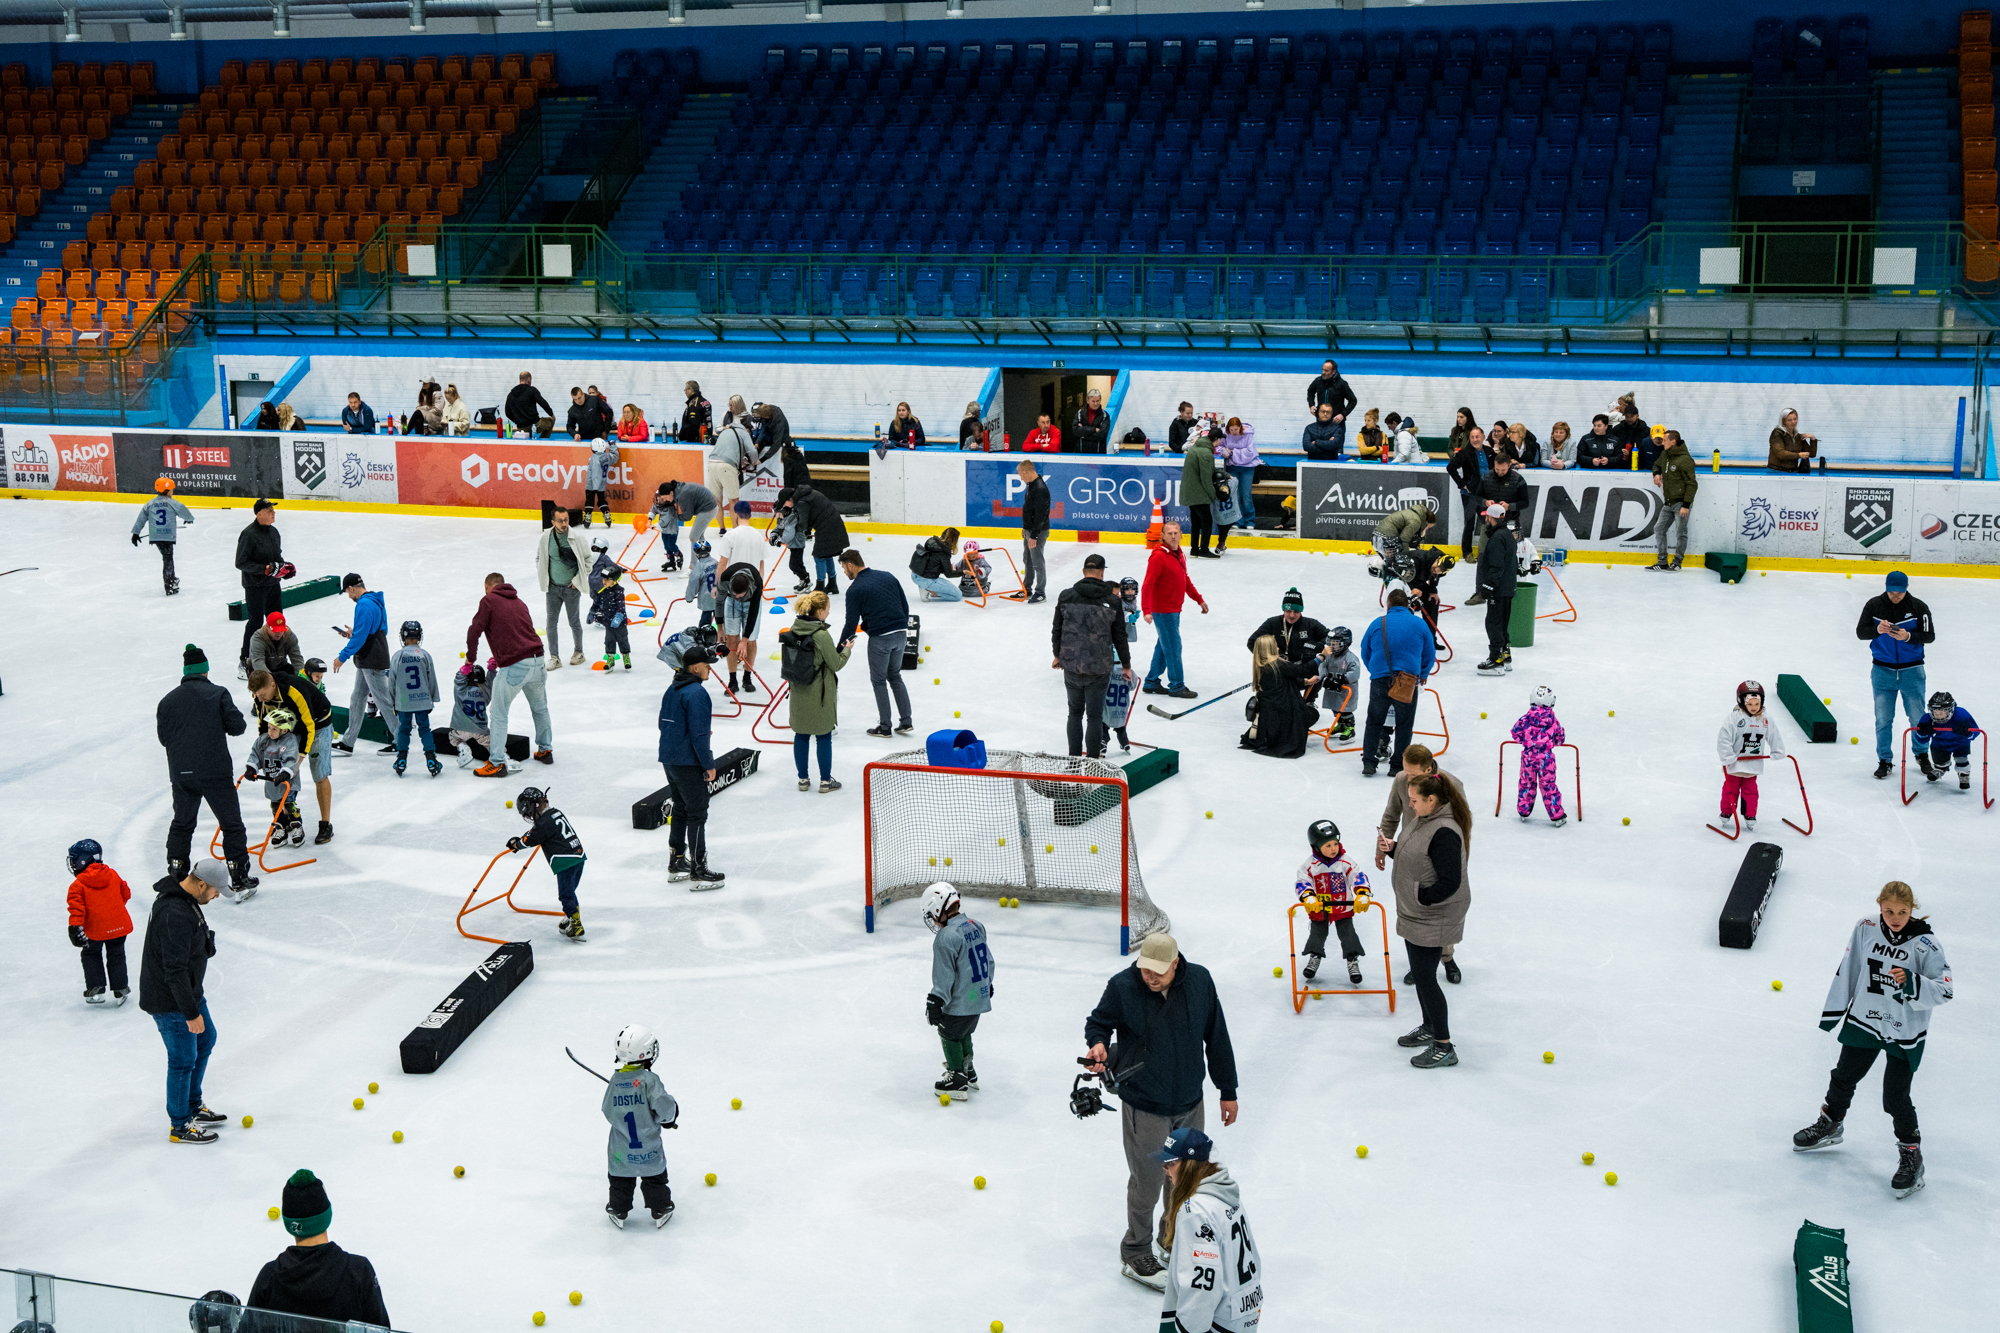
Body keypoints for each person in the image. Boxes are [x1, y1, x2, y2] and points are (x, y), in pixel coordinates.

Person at [1082, 933, 1239, 1291]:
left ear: (1175, 963)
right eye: (1144, 970)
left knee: (1184, 1180)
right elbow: (1098, 1022)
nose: (1149, 977)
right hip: (1145, 1104)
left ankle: (1170, 1240)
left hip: (1189, 1102)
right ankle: (1136, 1250)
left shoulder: (1200, 981)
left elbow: (1216, 1035)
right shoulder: (1123, 985)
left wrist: (1227, 1089)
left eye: (1157, 972)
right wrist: (1098, 1044)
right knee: (1148, 1181)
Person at [1792, 881, 1952, 1199]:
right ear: (1880, 906)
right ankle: (1831, 1124)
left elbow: (1945, 989)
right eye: (1889, 910)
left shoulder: (1925, 944)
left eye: (1902, 912)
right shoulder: (1865, 928)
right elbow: (1849, 968)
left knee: (1895, 1097)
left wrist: (1913, 983)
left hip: (1904, 1030)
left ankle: (1911, 1156)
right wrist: (1834, 1011)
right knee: (1843, 1076)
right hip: (1866, 1017)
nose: (1895, 917)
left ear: (1912, 910)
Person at [138, 857, 231, 1143]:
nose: (217, 895)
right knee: (182, 1059)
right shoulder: (174, 913)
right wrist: (190, 1013)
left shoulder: (184, 899)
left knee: (206, 1040)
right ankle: (180, 1124)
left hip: (188, 992)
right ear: (201, 883)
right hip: (171, 1000)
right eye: (215, 890)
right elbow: (174, 971)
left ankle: (192, 1103)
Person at [158, 644, 256, 895]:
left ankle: (177, 870)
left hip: (181, 773)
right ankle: (238, 874)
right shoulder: (217, 693)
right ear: (205, 671)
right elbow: (238, 727)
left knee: (182, 823)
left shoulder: (167, 701)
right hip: (214, 771)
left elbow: (163, 738)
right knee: (231, 824)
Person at [1389, 773, 1472, 1067]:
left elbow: (1450, 881)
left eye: (1414, 800)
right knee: (1421, 975)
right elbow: (1420, 858)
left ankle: (1444, 1045)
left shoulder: (1445, 831)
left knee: (1425, 978)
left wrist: (1422, 897)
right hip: (1416, 912)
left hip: (1432, 916)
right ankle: (1430, 1027)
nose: (1409, 805)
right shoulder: (1425, 820)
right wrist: (1394, 850)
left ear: (1431, 800)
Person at [1372, 743, 1466, 982]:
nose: (1406, 777)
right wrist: (1383, 848)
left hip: (1439, 857)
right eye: (1405, 771)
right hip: (1411, 855)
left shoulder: (1451, 785)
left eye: (1413, 774)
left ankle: (1446, 956)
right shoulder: (1401, 781)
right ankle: (1421, 964)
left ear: (1427, 769)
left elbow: (1461, 827)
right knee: (1413, 912)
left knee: (1440, 911)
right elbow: (1391, 815)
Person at [1155, 1127, 1263, 1333]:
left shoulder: (1195, 1211)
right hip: (1246, 1309)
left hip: (1218, 1322)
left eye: (1171, 1163)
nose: (1165, 1169)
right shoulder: (1227, 1192)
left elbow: (1201, 1286)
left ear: (1189, 1165)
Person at [249, 1170, 393, 1324]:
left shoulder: (269, 1276)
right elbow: (380, 1328)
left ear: (290, 1224)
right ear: (326, 1216)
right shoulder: (359, 1271)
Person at [467, 572, 553, 774]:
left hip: (516, 666)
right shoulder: (519, 602)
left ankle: (496, 763)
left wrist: (470, 658)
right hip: (538, 660)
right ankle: (545, 749)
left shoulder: (489, 600)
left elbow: (474, 630)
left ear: (488, 586)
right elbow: (518, 632)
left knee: (498, 713)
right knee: (540, 709)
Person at [1051, 552, 1134, 759]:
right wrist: (1125, 665)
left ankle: (1073, 761)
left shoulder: (1066, 595)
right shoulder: (1112, 601)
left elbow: (1057, 629)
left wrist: (1057, 655)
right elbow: (1120, 636)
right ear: (1102, 573)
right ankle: (1093, 764)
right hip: (1098, 668)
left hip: (1071, 665)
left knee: (1074, 713)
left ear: (1083, 572)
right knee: (1094, 718)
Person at [658, 644, 725, 889]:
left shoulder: (673, 688)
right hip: (687, 761)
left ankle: (676, 862)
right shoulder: (696, 693)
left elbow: (662, 723)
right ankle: (698, 870)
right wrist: (708, 764)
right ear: (695, 668)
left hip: (669, 758)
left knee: (682, 808)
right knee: (697, 811)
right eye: (707, 666)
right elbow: (699, 735)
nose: (710, 670)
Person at [1856, 570, 1935, 779]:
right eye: (1892, 592)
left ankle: (1922, 755)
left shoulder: (1919, 607)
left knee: (1918, 718)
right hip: (1882, 672)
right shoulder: (1874, 605)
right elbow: (1860, 632)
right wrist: (1878, 631)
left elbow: (1930, 635)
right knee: (1883, 719)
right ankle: (1884, 760)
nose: (1895, 596)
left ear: (1906, 588)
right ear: (1886, 587)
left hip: (1912, 671)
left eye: (1899, 592)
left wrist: (1908, 636)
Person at [601, 1025, 680, 1228]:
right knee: (654, 1178)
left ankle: (618, 1209)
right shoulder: (649, 1081)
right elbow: (664, 1107)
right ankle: (660, 1207)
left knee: (620, 1180)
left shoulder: (616, 1081)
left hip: (621, 1149)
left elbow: (607, 1109)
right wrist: (670, 1117)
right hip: (648, 1148)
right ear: (644, 1053)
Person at [922, 882, 994, 1100]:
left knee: (948, 1031)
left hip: (962, 999)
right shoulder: (976, 925)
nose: (933, 920)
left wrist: (935, 1000)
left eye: (932, 914)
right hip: (978, 997)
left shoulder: (946, 937)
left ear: (937, 909)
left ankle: (957, 1078)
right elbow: (989, 961)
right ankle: (968, 1069)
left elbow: (944, 976)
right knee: (965, 1031)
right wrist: (986, 984)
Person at [249, 664, 334, 844]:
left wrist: (301, 755)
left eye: (261, 693)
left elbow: (309, 725)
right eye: (256, 694)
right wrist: (266, 750)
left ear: (272, 684)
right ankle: (288, 820)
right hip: (288, 726)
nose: (259, 697)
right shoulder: (260, 695)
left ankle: (326, 824)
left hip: (318, 722)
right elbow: (263, 723)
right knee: (281, 770)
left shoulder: (294, 691)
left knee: (319, 773)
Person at [1358, 590, 1437, 777]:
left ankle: (1369, 763)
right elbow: (1429, 652)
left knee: (1374, 722)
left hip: (1380, 680)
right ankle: (1397, 767)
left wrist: (1375, 670)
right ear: (1407, 605)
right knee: (1404, 725)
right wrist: (1423, 673)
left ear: (1388, 604)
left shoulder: (1378, 623)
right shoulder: (1419, 624)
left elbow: (1365, 650)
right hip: (1407, 681)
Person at [838, 549, 914, 739]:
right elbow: (905, 606)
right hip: (901, 633)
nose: (844, 573)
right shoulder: (888, 577)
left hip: (880, 638)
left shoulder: (855, 589)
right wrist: (900, 626)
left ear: (849, 565)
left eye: (843, 568)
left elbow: (850, 624)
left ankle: (885, 727)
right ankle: (906, 721)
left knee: (879, 681)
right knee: (895, 676)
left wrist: (838, 650)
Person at [781, 589, 852, 792]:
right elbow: (835, 664)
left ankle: (803, 779)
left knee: (801, 735)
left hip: (798, 692)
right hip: (819, 694)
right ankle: (825, 781)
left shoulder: (792, 631)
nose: (829, 613)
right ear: (819, 611)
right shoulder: (821, 635)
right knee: (823, 737)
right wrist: (847, 649)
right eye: (828, 609)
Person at [329, 573, 398, 756]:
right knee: (357, 698)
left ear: (351, 588)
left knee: (382, 700)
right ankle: (348, 742)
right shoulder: (374, 601)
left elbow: (361, 638)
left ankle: (401, 740)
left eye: (348, 593)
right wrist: (356, 632)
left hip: (371, 659)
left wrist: (342, 657)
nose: (349, 597)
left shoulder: (364, 604)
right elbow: (377, 629)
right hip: (369, 658)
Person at [1294, 820, 1368, 984]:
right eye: (1327, 845)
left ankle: (1352, 961)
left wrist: (1362, 893)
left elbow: (1357, 876)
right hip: (1320, 908)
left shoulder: (1345, 862)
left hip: (1343, 907)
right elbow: (1302, 881)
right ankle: (1315, 956)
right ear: (1316, 846)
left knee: (1348, 935)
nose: (1333, 848)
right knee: (1317, 935)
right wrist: (1308, 896)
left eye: (1335, 843)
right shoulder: (1310, 866)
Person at [1140, 520, 1208, 700]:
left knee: (1164, 646)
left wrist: (1198, 599)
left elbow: (1183, 579)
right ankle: (1177, 685)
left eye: (1175, 533)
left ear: (1181, 535)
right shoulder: (1158, 557)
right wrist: (1146, 610)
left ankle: (1151, 681)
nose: (1172, 536)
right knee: (1173, 647)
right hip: (1163, 610)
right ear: (1162, 536)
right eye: (1169, 533)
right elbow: (1147, 585)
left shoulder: (1178, 554)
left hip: (1173, 609)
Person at [509, 785, 586, 940]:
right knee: (570, 892)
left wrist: (516, 844)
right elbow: (538, 832)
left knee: (565, 894)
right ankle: (571, 916)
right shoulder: (556, 812)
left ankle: (576, 926)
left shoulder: (543, 823)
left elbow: (531, 838)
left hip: (566, 862)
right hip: (579, 856)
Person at [65, 838, 134, 1006]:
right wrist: (112, 910)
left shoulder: (77, 885)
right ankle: (120, 989)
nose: (73, 864)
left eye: (74, 860)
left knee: (91, 954)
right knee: (117, 955)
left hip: (94, 931)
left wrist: (75, 927)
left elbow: (77, 909)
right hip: (118, 927)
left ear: (83, 860)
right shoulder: (112, 874)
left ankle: (96, 988)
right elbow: (125, 893)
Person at [1716, 679, 1783, 831]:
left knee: (1751, 791)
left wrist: (1777, 750)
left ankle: (1750, 815)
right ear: (1742, 702)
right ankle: (1726, 812)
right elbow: (1724, 738)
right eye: (1750, 704)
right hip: (1735, 764)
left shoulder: (1765, 719)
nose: (1753, 707)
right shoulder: (1734, 718)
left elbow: (1774, 735)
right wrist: (1728, 756)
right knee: (1730, 789)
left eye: (1757, 704)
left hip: (1752, 765)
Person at [1240, 635, 1323, 758]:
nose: (1278, 647)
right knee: (1312, 714)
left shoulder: (1261, 666)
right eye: (1275, 645)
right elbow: (1303, 670)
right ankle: (1287, 734)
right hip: (1284, 714)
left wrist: (1306, 682)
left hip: (1270, 717)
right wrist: (1321, 657)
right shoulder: (1279, 664)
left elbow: (1284, 680)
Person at [234, 498, 287, 677]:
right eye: (269, 510)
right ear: (259, 514)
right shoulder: (248, 534)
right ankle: (246, 659)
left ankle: (276, 657)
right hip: (255, 586)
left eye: (273, 509)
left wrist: (284, 568)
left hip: (273, 585)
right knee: (256, 622)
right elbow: (241, 562)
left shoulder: (274, 533)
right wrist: (263, 570)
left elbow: (277, 557)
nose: (273, 512)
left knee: (277, 620)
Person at [387, 620, 442, 779]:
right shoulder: (424, 655)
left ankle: (401, 760)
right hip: (422, 700)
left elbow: (392, 681)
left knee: (404, 729)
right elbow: (431, 679)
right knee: (425, 729)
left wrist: (393, 702)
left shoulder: (398, 656)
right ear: (419, 636)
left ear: (403, 637)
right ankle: (431, 759)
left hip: (403, 701)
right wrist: (432, 698)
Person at [244, 706, 303, 848]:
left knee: (289, 804)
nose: (270, 731)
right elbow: (255, 754)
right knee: (275, 806)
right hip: (272, 782)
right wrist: (251, 768)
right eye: (269, 727)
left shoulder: (290, 740)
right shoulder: (264, 739)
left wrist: (285, 772)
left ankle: (297, 827)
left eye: (274, 729)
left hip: (287, 783)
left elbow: (292, 757)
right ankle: (280, 829)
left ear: (285, 729)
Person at [1512, 685, 1569, 826]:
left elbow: (1515, 733)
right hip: (1546, 759)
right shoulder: (1553, 720)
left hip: (1528, 757)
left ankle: (1523, 810)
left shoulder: (1526, 718)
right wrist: (1551, 743)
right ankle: (1557, 815)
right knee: (1548, 785)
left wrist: (1525, 741)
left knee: (1527, 783)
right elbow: (1560, 738)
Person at [1473, 503, 1518, 676]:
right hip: (1507, 588)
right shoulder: (1507, 534)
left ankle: (1495, 658)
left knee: (1493, 623)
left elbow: (1496, 567)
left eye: (1487, 516)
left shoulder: (1497, 538)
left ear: (1491, 518)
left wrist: (1487, 588)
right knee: (1502, 623)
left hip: (1498, 589)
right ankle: (1505, 656)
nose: (1485, 519)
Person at [131, 477, 193, 595]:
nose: (172, 492)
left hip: (156, 536)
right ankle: (169, 584)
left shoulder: (150, 504)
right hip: (168, 536)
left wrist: (136, 533)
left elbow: (141, 519)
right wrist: (189, 519)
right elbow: (183, 510)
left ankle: (171, 580)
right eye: (171, 490)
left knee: (167, 557)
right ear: (167, 491)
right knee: (168, 559)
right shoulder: (172, 502)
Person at [1648, 429, 1699, 571]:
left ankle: (1677, 562)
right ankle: (1662, 562)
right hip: (1668, 502)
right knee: (1659, 528)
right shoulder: (1665, 455)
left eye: (1665, 440)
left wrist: (1686, 505)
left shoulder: (1686, 460)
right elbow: (1656, 464)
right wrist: (1656, 473)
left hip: (1681, 503)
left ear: (1673, 441)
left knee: (1680, 532)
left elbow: (1692, 484)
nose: (1662, 442)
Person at [1914, 691, 1980, 790]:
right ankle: (1941, 768)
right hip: (1939, 745)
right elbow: (1922, 740)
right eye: (1935, 713)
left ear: (1950, 710)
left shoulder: (1961, 714)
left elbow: (1976, 731)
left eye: (1942, 712)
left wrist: (1967, 732)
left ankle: (1963, 774)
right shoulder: (1927, 719)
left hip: (1960, 744)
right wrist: (1923, 732)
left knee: (1961, 759)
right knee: (1940, 761)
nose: (1938, 716)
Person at [793, 482, 850, 594]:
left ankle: (820, 586)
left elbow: (803, 525)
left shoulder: (801, 502)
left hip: (826, 528)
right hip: (834, 525)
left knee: (819, 556)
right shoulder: (810, 494)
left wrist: (792, 530)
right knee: (827, 555)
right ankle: (832, 584)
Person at [1471, 445, 1525, 558]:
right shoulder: (1486, 477)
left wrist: (1509, 506)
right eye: (1497, 469)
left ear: (1509, 465)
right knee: (1483, 553)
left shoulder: (1518, 479)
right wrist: (1485, 502)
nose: (1500, 472)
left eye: (1503, 470)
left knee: (1509, 555)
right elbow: (1477, 497)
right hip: (1488, 522)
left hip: (1510, 522)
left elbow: (1525, 502)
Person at [1371, 496, 1437, 586]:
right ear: (1426, 522)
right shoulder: (1416, 520)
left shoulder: (1412, 514)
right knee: (1397, 568)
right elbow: (1404, 540)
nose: (1426, 531)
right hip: (1387, 539)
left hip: (1377, 538)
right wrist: (1406, 557)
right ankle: (1394, 590)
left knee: (1391, 567)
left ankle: (1391, 586)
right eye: (1428, 528)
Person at [1444, 425, 1487, 560]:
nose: (1475, 439)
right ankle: (1467, 553)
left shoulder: (1490, 452)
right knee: (1469, 524)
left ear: (1483, 437)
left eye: (1477, 437)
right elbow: (1451, 467)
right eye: (1472, 437)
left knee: (1487, 523)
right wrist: (1462, 484)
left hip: (1485, 494)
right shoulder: (1465, 453)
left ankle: (1484, 552)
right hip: (1470, 495)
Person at [660, 478, 721, 569]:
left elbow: (687, 517)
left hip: (708, 509)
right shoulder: (678, 488)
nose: (665, 500)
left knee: (693, 537)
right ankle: (706, 561)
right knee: (699, 536)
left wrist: (674, 515)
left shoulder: (682, 495)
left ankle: (692, 567)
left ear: (671, 493)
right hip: (709, 507)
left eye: (665, 498)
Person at [709, 410, 756, 522]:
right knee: (734, 502)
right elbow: (753, 452)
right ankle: (736, 530)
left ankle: (722, 529)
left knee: (717, 502)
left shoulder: (725, 431)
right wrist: (754, 462)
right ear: (747, 428)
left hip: (711, 464)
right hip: (726, 466)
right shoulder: (744, 433)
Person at [1180, 429, 1220, 557]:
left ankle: (1194, 549)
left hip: (1190, 491)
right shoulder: (1205, 453)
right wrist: (1213, 494)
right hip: (1199, 493)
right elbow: (1206, 477)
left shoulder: (1196, 448)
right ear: (1217, 439)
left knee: (1196, 522)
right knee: (1206, 521)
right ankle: (1203, 550)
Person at [447, 662, 493, 771]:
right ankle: (501, 756)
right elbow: (490, 683)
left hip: (461, 729)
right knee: (491, 743)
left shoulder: (461, 691)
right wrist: (491, 671)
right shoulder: (485, 692)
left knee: (453, 737)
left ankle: (463, 748)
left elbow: (458, 681)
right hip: (481, 730)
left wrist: (463, 671)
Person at [587, 565, 634, 673]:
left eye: (607, 579)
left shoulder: (619, 591)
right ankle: (610, 660)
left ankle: (626, 657)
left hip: (620, 623)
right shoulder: (603, 591)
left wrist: (618, 617)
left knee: (623, 640)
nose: (604, 581)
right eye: (603, 579)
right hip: (608, 622)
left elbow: (621, 606)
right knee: (609, 641)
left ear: (614, 580)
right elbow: (597, 603)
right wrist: (592, 612)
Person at [1217, 417, 1260, 532]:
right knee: (1235, 495)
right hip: (1233, 467)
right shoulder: (1225, 434)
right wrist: (1224, 451)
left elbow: (1250, 452)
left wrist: (1233, 452)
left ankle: (1249, 521)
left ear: (1240, 428)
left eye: (1236, 429)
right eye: (1231, 430)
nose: (1234, 432)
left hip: (1248, 468)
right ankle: (1237, 521)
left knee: (1246, 495)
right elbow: (1220, 447)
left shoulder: (1248, 434)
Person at [1018, 459, 1050, 602]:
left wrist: (1034, 535)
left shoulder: (1040, 488)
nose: (1020, 477)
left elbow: (1040, 515)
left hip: (1037, 532)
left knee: (1037, 562)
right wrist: (1025, 528)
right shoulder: (1031, 485)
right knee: (1028, 560)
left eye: (1021, 474)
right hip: (1030, 530)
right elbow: (1028, 509)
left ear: (1026, 471)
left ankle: (1040, 592)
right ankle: (1027, 589)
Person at [1306, 358, 1356, 447]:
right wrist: (1311, 405)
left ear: (1333, 372)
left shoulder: (1342, 384)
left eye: (1326, 370)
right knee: (1320, 446)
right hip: (1320, 422)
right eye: (1322, 369)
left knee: (1337, 448)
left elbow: (1353, 400)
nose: (1323, 372)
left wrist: (1343, 414)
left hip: (1336, 422)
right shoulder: (1318, 381)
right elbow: (1310, 392)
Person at [768, 489, 810, 593]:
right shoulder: (782, 518)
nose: (778, 515)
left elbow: (789, 534)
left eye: (779, 513)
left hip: (797, 544)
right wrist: (774, 535)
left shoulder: (791, 518)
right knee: (798, 564)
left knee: (794, 565)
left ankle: (806, 581)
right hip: (793, 544)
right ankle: (804, 580)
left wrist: (779, 540)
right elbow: (779, 528)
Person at [908, 527, 965, 602]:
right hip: (927, 580)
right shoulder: (943, 552)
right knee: (957, 595)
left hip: (915, 575)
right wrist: (963, 572)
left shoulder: (932, 543)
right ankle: (929, 590)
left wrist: (944, 567)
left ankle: (924, 586)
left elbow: (932, 564)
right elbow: (949, 574)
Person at [247, 610, 303, 676]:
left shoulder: (289, 636)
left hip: (281, 666)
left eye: (281, 630)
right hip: (258, 670)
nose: (279, 633)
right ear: (267, 627)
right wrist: (272, 679)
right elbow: (258, 662)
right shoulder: (258, 638)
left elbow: (297, 659)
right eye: (275, 630)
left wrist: (301, 678)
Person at [582, 438, 619, 529]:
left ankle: (588, 517)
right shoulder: (606, 456)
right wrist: (613, 446)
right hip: (602, 484)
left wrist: (595, 487)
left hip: (592, 484)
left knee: (590, 500)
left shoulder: (595, 458)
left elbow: (596, 472)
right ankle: (606, 514)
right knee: (601, 500)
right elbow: (615, 457)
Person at [1770, 408, 1819, 473]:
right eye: (1789, 420)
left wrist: (1813, 439)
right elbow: (1780, 453)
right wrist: (1798, 455)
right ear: (1784, 421)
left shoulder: (1798, 436)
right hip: (1776, 471)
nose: (1793, 422)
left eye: (1795, 419)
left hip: (1793, 471)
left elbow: (1811, 454)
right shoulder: (1777, 434)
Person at [1610, 392, 1652, 466]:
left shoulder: (1646, 430)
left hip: (1640, 464)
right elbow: (1610, 444)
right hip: (1620, 464)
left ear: (1637, 416)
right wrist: (1620, 451)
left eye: (1631, 416)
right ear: (1624, 416)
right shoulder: (1617, 429)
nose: (1629, 419)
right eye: (1627, 416)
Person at [1074, 387, 1110, 455]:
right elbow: (1076, 431)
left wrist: (1084, 436)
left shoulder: (1105, 416)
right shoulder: (1079, 414)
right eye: (1093, 401)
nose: (1096, 403)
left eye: (1098, 401)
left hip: (1098, 455)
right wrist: (1094, 429)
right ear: (1088, 401)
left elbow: (1102, 435)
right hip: (1081, 454)